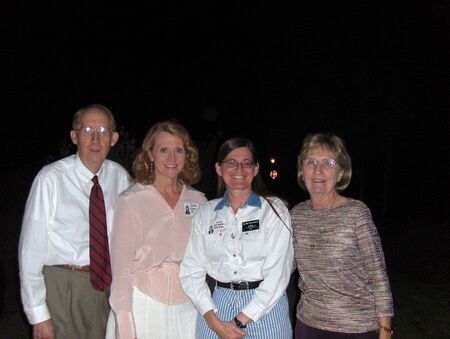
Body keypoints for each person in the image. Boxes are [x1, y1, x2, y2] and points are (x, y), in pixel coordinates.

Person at [18, 104, 131, 339]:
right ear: (74, 136)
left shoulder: (118, 176)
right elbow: (30, 250)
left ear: (114, 138)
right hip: (63, 286)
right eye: (88, 129)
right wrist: (39, 315)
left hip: (104, 287)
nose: (95, 138)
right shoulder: (51, 179)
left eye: (103, 130)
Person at [180, 137, 294, 339]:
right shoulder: (205, 213)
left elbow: (278, 274)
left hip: (266, 308)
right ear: (218, 168)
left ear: (256, 169)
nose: (239, 169)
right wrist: (213, 321)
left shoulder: (274, 210)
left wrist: (239, 320)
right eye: (231, 163)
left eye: (246, 163)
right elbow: (191, 271)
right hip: (216, 308)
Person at [107, 120, 207, 339]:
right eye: (163, 150)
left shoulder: (199, 201)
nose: (171, 158)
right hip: (142, 305)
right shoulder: (131, 200)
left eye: (178, 150)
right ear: (150, 154)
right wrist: (124, 323)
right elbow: (121, 269)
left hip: (187, 306)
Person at [290, 132, 394, 339]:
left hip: (355, 328)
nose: (318, 170)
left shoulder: (356, 213)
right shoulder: (296, 215)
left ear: (340, 173)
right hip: (308, 324)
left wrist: (385, 330)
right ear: (302, 170)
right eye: (311, 162)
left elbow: (378, 276)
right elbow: (284, 264)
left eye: (328, 162)